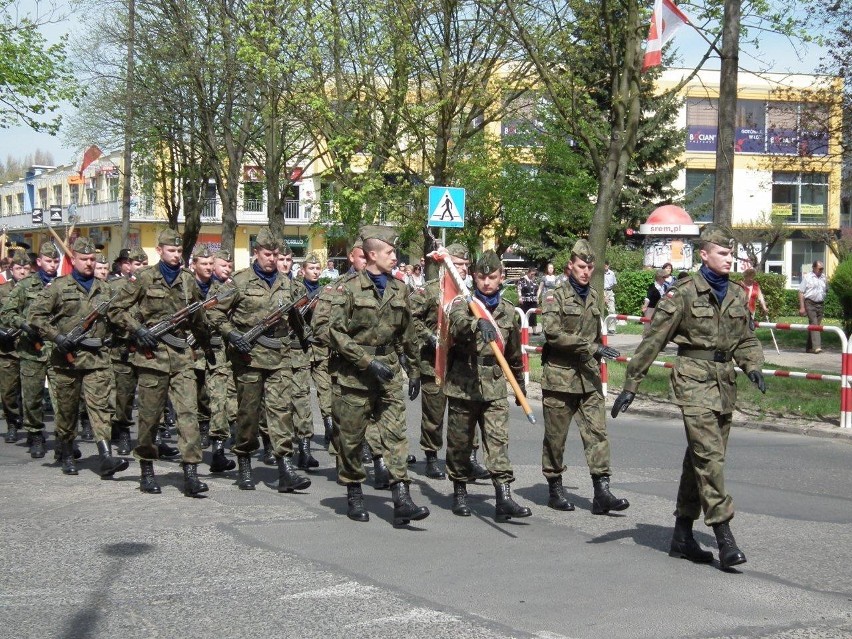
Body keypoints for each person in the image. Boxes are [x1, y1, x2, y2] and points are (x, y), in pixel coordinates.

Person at [611, 224, 766, 570]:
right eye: (723, 253)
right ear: (704, 255)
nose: (730, 259)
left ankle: (682, 535)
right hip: (693, 384)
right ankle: (725, 537)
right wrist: (631, 384)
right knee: (710, 459)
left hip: (725, 385)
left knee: (698, 460)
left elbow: (746, 340)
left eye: (731, 254)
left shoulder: (738, 295)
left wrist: (753, 365)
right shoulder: (681, 294)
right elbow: (653, 341)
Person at [328, 225, 428, 526]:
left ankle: (401, 498)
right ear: (372, 254)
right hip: (354, 373)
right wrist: (366, 362)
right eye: (389, 252)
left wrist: (413, 370)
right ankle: (355, 493)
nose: (394, 257)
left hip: (388, 370)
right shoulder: (347, 289)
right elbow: (335, 332)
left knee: (396, 433)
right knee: (352, 437)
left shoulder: (400, 289)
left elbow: (408, 333)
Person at [108, 228, 212, 497]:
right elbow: (115, 309)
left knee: (188, 414)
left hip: (181, 357)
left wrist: (206, 345)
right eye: (171, 250)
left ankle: (190, 472)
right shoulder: (144, 278)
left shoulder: (188, 280)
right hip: (151, 357)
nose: (176, 255)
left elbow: (198, 317)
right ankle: (147, 469)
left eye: (179, 251)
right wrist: (137, 330)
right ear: (160, 251)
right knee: (149, 418)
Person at [207, 229, 311, 494]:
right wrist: (232, 334)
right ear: (256, 252)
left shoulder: (287, 283)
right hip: (249, 359)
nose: (272, 259)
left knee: (280, 412)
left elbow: (300, 314)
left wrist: (306, 337)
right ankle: (244, 463)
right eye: (267, 254)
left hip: (280, 357)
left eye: (276, 255)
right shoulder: (239, 282)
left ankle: (285, 468)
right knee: (248, 414)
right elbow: (214, 313)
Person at [28, 237, 130, 478]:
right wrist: (56, 336)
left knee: (101, 408)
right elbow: (35, 316)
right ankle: (65, 451)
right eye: (84, 259)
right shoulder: (58, 287)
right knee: (66, 411)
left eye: (92, 259)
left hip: (97, 358)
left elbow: (117, 318)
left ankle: (105, 456)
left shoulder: (105, 288)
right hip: (66, 360)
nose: (89, 263)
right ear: (73, 259)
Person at [539, 240, 627, 514]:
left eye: (590, 267)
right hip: (560, 378)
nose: (586, 271)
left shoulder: (594, 295)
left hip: (587, 378)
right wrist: (592, 348)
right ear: (570, 266)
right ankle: (555, 488)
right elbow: (552, 334)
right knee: (556, 437)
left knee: (597, 434)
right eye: (581, 266)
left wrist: (597, 351)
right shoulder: (555, 296)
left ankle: (602, 492)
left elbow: (594, 332)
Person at [444, 250, 530, 522]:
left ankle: (503, 497)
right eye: (481, 277)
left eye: (492, 277)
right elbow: (456, 325)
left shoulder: (507, 311)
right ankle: (459, 492)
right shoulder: (462, 304)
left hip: (494, 385)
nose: (486, 282)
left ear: (501, 277)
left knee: (498, 442)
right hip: (463, 384)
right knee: (460, 442)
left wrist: (519, 387)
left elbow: (514, 354)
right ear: (473, 277)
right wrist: (476, 323)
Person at [409, 244, 490, 482]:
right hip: (433, 363)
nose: (463, 269)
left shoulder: (470, 295)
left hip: (463, 365)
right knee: (434, 413)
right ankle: (432, 457)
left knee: (467, 413)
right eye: (458, 264)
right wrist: (430, 337)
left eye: (466, 265)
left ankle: (470, 459)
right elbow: (411, 318)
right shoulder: (430, 291)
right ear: (446, 265)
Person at [0, 241, 61, 459]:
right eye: (48, 260)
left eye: (55, 260)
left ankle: (64, 439)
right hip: (31, 350)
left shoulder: (64, 285)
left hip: (57, 350)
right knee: (32, 397)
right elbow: (6, 313)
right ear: (40, 262)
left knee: (61, 397)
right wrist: (23, 324)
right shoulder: (26, 286)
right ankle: (35, 434)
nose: (52, 265)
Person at [191, 244, 236, 474]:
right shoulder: (185, 288)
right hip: (188, 353)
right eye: (205, 264)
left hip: (216, 352)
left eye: (212, 264)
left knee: (219, 399)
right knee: (197, 400)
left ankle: (218, 451)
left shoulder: (223, 290)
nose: (209, 268)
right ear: (195, 265)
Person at [205, 250, 239, 465]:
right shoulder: (204, 288)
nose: (227, 269)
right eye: (223, 265)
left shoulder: (234, 287)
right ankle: (217, 447)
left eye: (230, 265)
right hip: (212, 351)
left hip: (232, 351)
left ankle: (236, 440)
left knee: (233, 398)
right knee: (216, 398)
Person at [0, 251, 30, 443]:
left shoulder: (38, 291)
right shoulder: (2, 290)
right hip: (7, 348)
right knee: (8, 391)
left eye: (26, 268)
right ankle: (12, 422)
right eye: (18, 268)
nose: (22, 272)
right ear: (12, 269)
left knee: (31, 393)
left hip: (30, 348)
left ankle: (32, 429)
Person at [798, 260, 827, 354]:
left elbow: (826, 289)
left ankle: (809, 348)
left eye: (822, 268)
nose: (821, 270)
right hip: (810, 303)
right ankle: (817, 347)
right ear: (814, 268)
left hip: (820, 303)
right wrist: (802, 307)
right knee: (814, 324)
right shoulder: (807, 277)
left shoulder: (824, 277)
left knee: (816, 326)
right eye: (820, 268)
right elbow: (801, 292)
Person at [641, 269, 668, 335]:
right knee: (648, 325)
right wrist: (645, 306)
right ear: (659, 277)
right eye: (664, 277)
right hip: (651, 309)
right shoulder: (652, 286)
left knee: (661, 324)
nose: (665, 279)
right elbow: (648, 298)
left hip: (661, 308)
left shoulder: (665, 286)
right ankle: (645, 337)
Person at [517, 267, 539, 334]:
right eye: (532, 274)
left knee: (533, 315)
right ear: (528, 272)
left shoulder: (535, 279)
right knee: (523, 314)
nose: (533, 276)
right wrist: (520, 297)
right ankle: (520, 330)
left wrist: (537, 298)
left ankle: (534, 331)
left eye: (534, 274)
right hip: (525, 300)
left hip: (533, 300)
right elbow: (519, 289)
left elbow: (537, 289)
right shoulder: (522, 279)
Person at [602, 260, 618, 334]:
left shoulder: (611, 273)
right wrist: (604, 296)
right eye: (604, 265)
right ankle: (601, 327)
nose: (606, 266)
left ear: (608, 265)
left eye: (607, 265)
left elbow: (614, 283)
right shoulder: (600, 273)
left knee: (612, 310)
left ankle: (611, 328)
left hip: (609, 291)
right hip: (601, 291)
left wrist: (609, 293)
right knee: (600, 310)